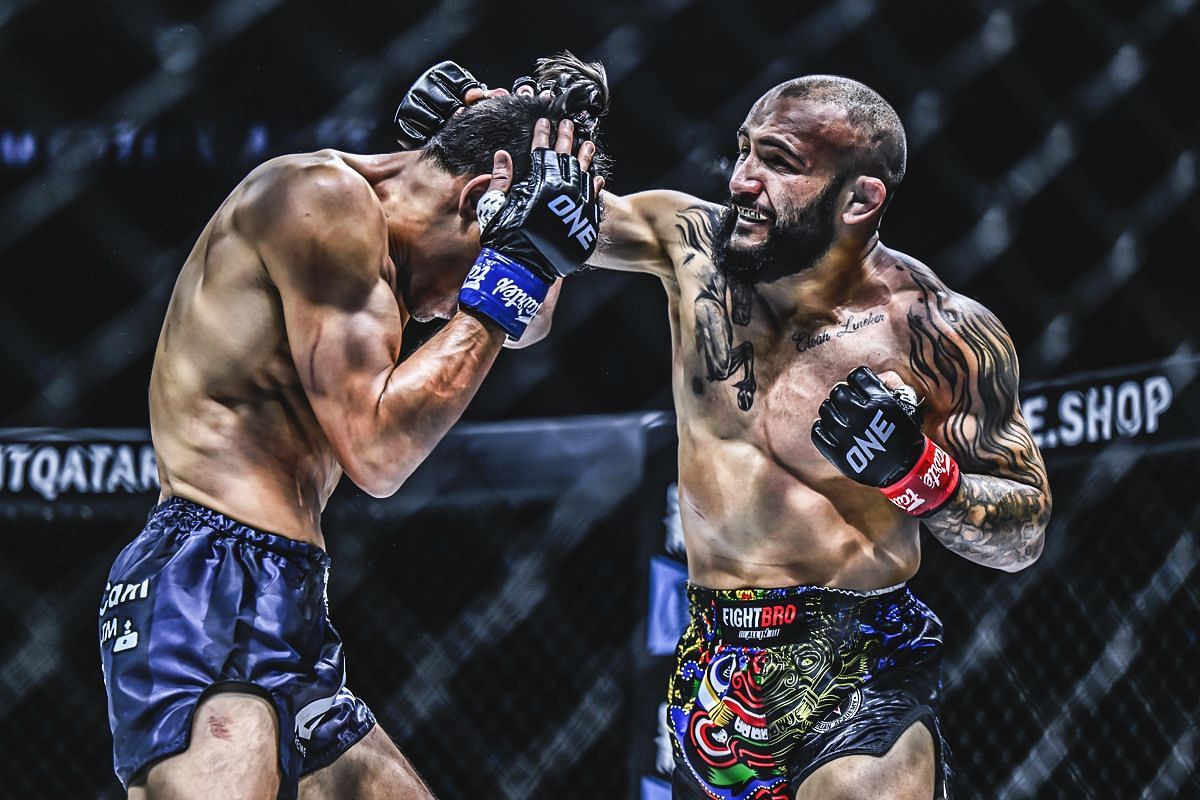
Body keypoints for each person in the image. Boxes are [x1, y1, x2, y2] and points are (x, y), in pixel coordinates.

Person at [398, 66, 1050, 799]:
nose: (742, 179)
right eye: (743, 151)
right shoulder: (690, 246)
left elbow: (1022, 534)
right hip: (713, 661)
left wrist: (917, 470)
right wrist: (486, 128)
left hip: (860, 667)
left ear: (861, 198)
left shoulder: (936, 331)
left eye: (779, 162)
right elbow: (540, 215)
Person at [97, 57, 609, 800]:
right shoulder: (320, 200)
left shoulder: (402, 244)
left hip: (289, 604)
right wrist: (513, 266)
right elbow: (377, 455)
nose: (446, 308)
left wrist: (557, 160)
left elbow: (524, 321)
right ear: (476, 198)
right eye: (481, 262)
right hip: (204, 585)